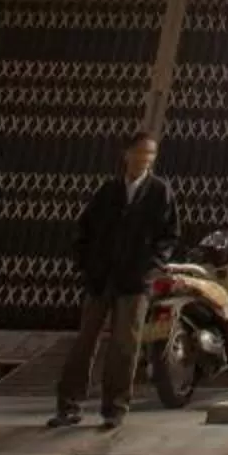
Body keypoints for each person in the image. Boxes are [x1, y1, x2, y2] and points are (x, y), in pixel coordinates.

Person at [50, 132, 179, 430]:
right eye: (140, 152)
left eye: (150, 154)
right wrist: (86, 264)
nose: (144, 159)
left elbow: (169, 236)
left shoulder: (160, 192)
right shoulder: (108, 191)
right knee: (84, 343)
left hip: (134, 283)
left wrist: (150, 268)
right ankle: (69, 405)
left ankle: (115, 408)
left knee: (125, 345)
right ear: (127, 154)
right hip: (101, 279)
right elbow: (84, 229)